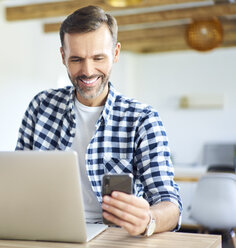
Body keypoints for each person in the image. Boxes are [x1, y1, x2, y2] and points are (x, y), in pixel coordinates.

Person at [15, 5, 182, 237]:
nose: (87, 71)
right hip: (46, 232)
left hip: (116, 237)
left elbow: (170, 204)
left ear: (115, 53)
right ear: (63, 56)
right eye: (76, 59)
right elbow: (18, 181)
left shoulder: (142, 120)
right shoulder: (40, 106)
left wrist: (149, 219)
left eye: (98, 58)